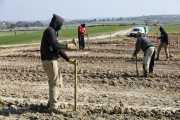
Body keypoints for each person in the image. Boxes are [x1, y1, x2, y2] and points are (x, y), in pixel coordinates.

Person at [40, 14, 76, 112]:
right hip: (49, 62)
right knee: (54, 83)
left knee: (58, 83)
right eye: (61, 24)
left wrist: (69, 60)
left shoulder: (53, 32)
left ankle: (51, 102)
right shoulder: (49, 31)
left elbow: (58, 50)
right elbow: (56, 45)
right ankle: (53, 107)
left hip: (52, 61)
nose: (61, 26)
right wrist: (66, 45)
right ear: (56, 23)